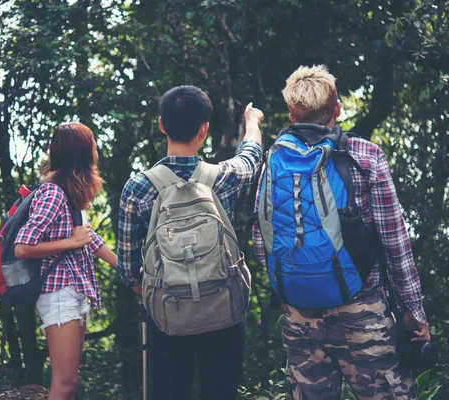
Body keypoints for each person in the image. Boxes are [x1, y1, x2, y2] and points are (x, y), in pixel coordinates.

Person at [252, 65, 430, 399]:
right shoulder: (366, 155)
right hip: (362, 314)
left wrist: (300, 277)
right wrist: (414, 311)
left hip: (300, 319)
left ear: (292, 115)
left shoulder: (273, 161)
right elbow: (395, 242)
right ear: (337, 109)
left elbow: (262, 240)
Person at [116, 85, 264, 400]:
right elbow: (251, 157)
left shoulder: (138, 188)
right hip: (223, 312)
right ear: (204, 129)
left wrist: (167, 293)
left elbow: (128, 270)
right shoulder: (223, 176)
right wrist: (251, 122)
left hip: (167, 319)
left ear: (161, 125)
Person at [14, 122, 117, 400]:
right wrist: (72, 242)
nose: (97, 150)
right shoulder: (53, 193)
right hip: (58, 294)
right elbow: (22, 247)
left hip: (73, 292)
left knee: (70, 382)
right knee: (64, 384)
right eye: (93, 145)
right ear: (82, 153)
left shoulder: (71, 194)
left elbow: (89, 238)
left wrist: (127, 268)